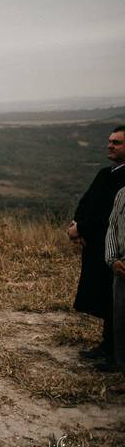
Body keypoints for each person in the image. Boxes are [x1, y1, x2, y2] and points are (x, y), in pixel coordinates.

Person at [67, 125, 125, 360]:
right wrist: (77, 225)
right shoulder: (106, 173)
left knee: (117, 300)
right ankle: (107, 345)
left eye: (117, 142)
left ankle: (115, 353)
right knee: (105, 297)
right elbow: (87, 201)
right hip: (97, 246)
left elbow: (108, 214)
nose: (110, 145)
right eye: (110, 141)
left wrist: (81, 228)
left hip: (115, 249)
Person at [103, 185, 125, 373]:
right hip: (121, 268)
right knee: (120, 320)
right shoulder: (121, 193)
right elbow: (113, 227)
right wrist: (112, 260)